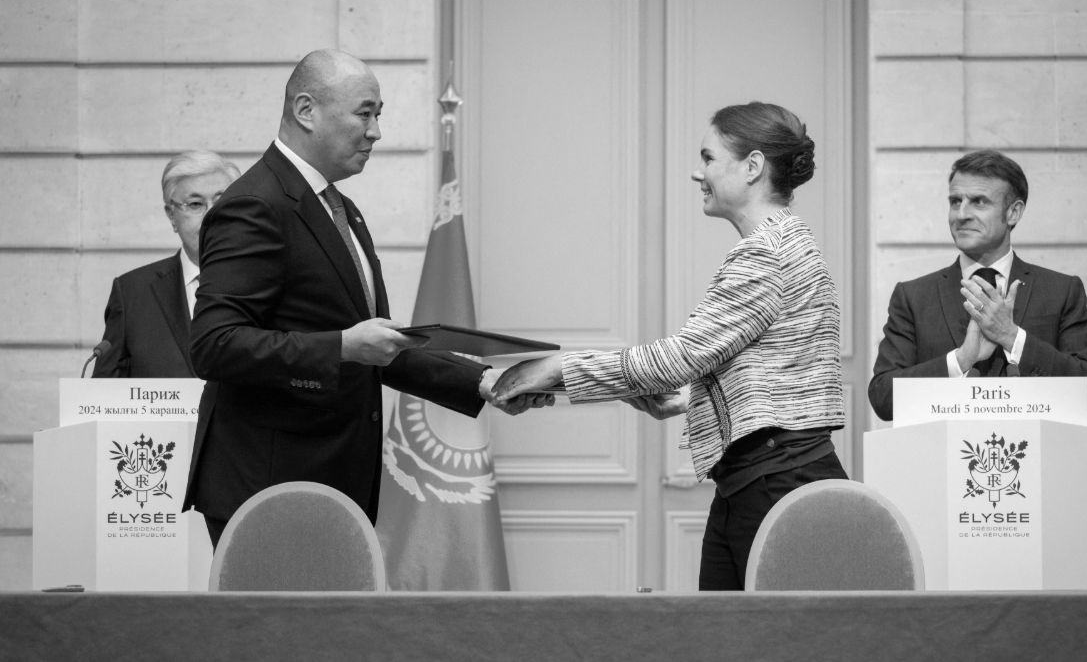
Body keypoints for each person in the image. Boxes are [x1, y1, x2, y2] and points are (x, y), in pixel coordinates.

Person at [182, 49, 548, 547]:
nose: (376, 131)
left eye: (380, 115)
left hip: (334, 484)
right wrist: (341, 347)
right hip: (269, 489)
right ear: (306, 110)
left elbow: (376, 343)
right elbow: (214, 344)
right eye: (365, 112)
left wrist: (484, 381)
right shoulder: (253, 204)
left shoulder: (341, 209)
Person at [493, 102, 846, 590]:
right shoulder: (788, 240)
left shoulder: (766, 251)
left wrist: (559, 368)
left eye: (707, 156)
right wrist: (689, 398)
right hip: (760, 477)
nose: (696, 172)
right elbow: (776, 365)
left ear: (753, 167)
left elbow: (681, 357)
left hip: (774, 482)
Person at [868, 149, 1087, 422]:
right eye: (955, 201)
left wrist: (1012, 338)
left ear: (1013, 212)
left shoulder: (1062, 292)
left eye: (979, 202)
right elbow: (883, 398)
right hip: (939, 460)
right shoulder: (913, 297)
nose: (961, 214)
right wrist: (960, 360)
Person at [93, 151, 240, 378]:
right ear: (172, 216)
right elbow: (104, 396)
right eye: (195, 204)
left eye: (222, 201)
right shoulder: (132, 293)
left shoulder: (272, 283)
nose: (212, 214)